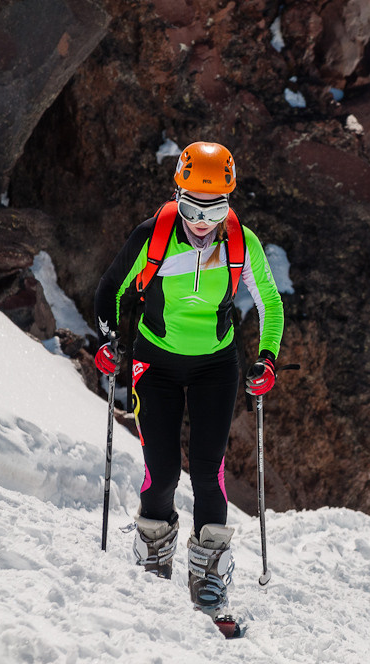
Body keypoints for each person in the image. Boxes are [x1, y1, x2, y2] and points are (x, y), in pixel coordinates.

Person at [93, 141, 284, 620]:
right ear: (177, 194)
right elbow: (110, 290)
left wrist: (267, 359)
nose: (202, 219)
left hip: (215, 367)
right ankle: (153, 559)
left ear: (229, 202)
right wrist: (111, 341)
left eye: (215, 206)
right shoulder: (153, 235)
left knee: (207, 469)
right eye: (192, 205)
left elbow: (270, 304)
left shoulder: (241, 243)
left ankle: (210, 574)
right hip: (154, 362)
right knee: (161, 470)